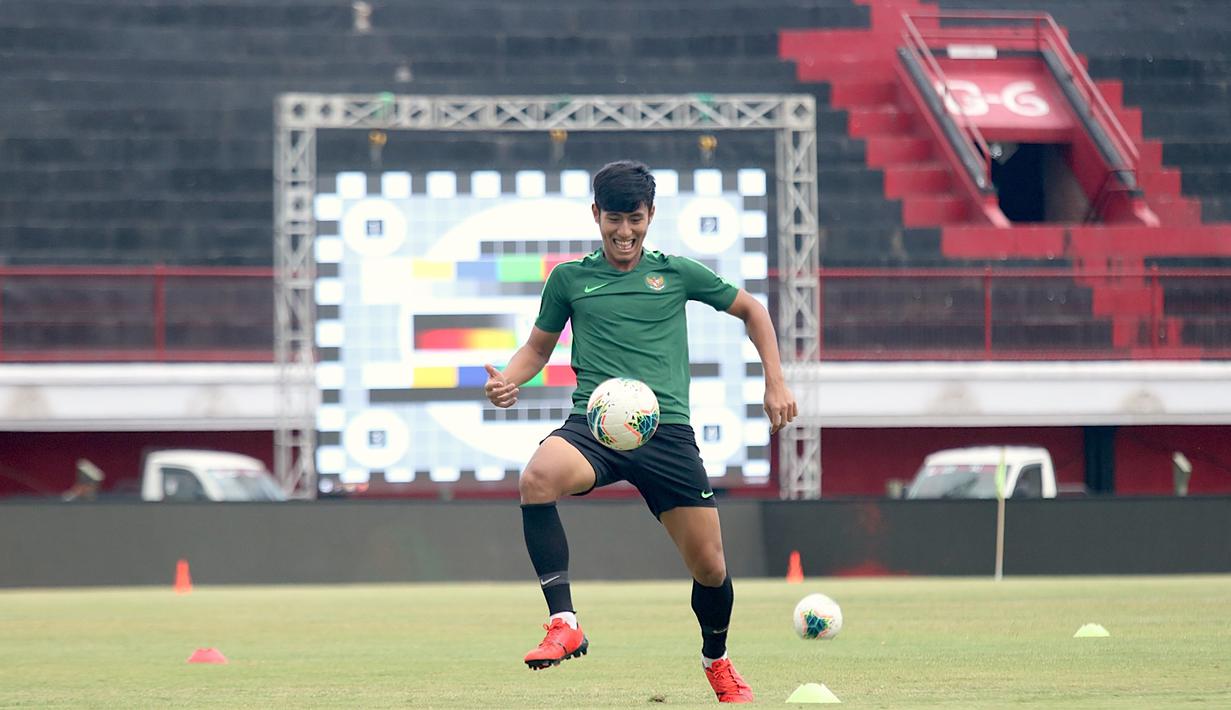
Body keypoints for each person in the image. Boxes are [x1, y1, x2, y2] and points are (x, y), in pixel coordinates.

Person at [483, 159, 797, 704]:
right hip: (595, 425)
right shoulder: (569, 279)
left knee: (711, 565)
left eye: (635, 218)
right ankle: (564, 621)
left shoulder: (676, 272)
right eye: (613, 219)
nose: (623, 231)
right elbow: (537, 349)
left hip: (666, 432)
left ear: (650, 216)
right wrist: (508, 380)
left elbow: (752, 311)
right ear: (595, 215)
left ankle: (716, 660)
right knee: (537, 478)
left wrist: (774, 381)